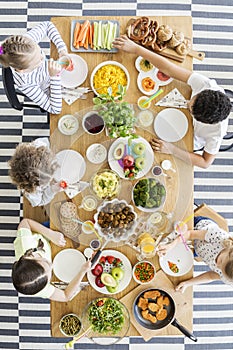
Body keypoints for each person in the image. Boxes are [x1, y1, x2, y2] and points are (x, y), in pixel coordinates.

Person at [112, 35, 232, 169]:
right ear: (202, 93)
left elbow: (205, 163)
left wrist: (172, 150)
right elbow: (168, 68)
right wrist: (136, 49)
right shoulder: (206, 85)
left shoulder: (216, 132)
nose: (187, 105)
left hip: (185, 138)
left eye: (190, 109)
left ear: (203, 121)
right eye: (192, 102)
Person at [12, 218, 91, 301]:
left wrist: (51, 234)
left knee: (70, 222)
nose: (52, 265)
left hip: (43, 232)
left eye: (46, 262)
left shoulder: (25, 243)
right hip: (54, 247)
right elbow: (65, 296)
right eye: (50, 274)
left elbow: (25, 222)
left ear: (31, 256)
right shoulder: (40, 289)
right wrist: (82, 271)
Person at [0, 21, 68, 114]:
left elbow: (48, 25)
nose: (42, 59)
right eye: (38, 62)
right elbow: (55, 109)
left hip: (53, 73)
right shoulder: (26, 83)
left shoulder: (26, 44)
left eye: (40, 52)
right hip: (50, 88)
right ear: (22, 70)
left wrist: (62, 49)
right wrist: (54, 77)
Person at [157, 218, 233, 293]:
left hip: (201, 251)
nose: (217, 265)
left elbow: (211, 276)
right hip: (197, 228)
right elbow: (190, 234)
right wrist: (171, 245)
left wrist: (187, 283)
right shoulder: (218, 236)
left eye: (220, 269)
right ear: (230, 249)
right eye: (221, 260)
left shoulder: (229, 277)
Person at [8, 137, 61, 207]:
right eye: (47, 182)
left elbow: (47, 143)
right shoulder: (32, 192)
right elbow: (41, 201)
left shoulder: (41, 145)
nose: (51, 179)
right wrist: (52, 190)